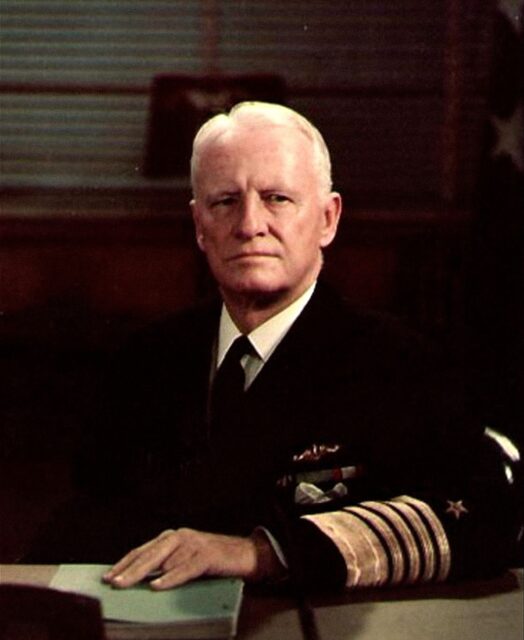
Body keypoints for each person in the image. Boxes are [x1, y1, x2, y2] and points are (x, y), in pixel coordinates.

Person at [27, 102, 519, 592]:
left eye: (277, 198)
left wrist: (263, 552)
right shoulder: (146, 359)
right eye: (225, 202)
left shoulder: (400, 361)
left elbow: (486, 518)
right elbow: (84, 523)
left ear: (328, 219)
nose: (249, 225)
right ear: (200, 225)